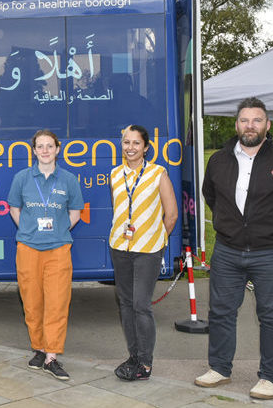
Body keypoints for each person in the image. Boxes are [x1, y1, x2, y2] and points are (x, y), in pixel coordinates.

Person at [194, 97, 273, 400]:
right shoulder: (218, 160)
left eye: (257, 120)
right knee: (221, 311)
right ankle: (220, 369)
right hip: (228, 250)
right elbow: (210, 195)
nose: (250, 126)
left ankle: (270, 377)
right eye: (245, 120)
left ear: (267, 125)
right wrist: (231, 225)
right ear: (236, 124)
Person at [8, 129, 84, 381]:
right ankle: (38, 348)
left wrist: (59, 231)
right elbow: (14, 208)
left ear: (57, 149)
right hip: (28, 248)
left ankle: (52, 356)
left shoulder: (69, 180)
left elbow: (75, 212)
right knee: (31, 302)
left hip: (59, 248)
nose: (44, 150)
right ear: (34, 150)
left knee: (57, 301)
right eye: (39, 146)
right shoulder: (22, 178)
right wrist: (28, 230)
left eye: (49, 146)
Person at [108, 125, 178, 381]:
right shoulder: (115, 174)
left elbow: (171, 215)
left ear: (146, 147)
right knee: (125, 304)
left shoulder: (159, 173)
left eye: (136, 143)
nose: (130, 148)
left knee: (140, 305)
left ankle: (145, 363)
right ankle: (134, 356)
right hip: (119, 245)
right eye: (126, 142)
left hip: (148, 250)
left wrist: (156, 239)